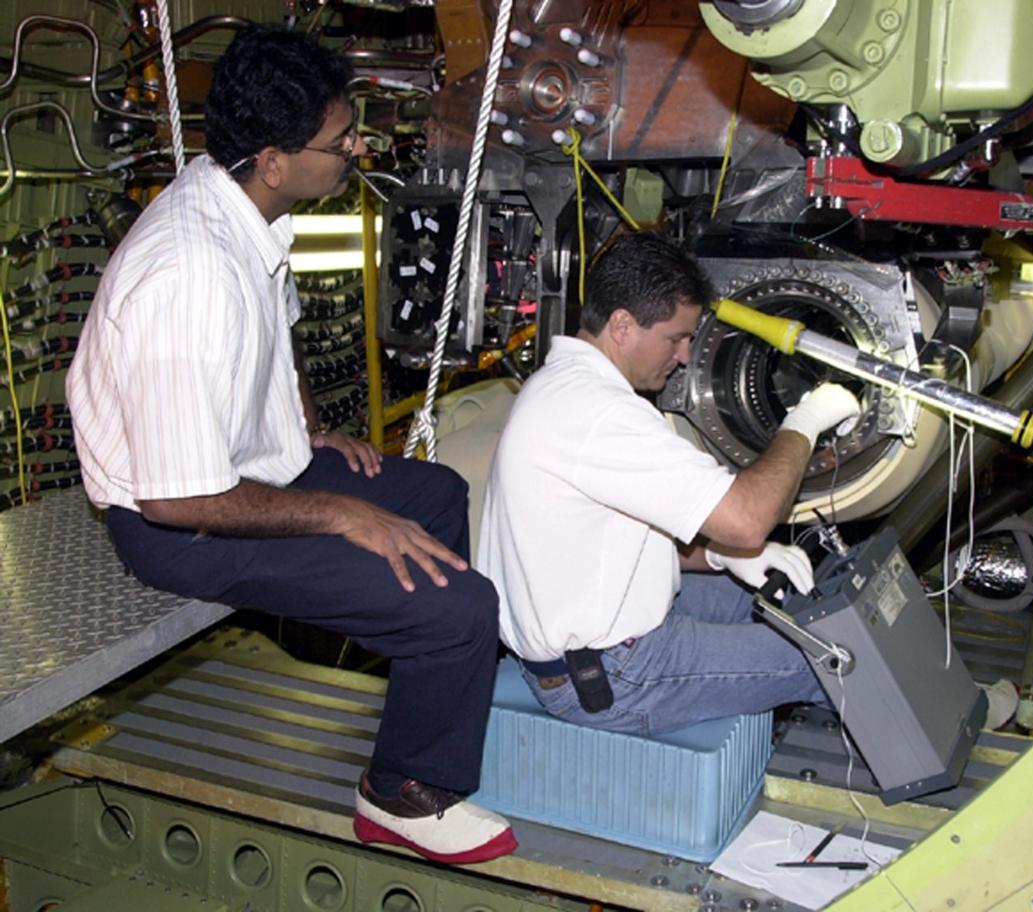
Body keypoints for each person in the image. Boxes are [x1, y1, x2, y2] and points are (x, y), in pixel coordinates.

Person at [66, 25, 515, 864]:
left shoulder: (239, 201)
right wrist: (342, 516)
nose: (356, 149)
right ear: (273, 157)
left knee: (436, 496)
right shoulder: (186, 276)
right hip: (177, 525)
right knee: (463, 609)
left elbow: (277, 333)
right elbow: (177, 497)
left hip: (242, 465)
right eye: (340, 139)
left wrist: (307, 430)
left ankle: (413, 673)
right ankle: (400, 793)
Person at [477, 231, 863, 735]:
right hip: (611, 675)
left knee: (800, 602)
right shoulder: (598, 413)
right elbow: (747, 520)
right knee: (839, 656)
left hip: (601, 639)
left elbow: (614, 540)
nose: (683, 355)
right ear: (622, 325)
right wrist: (806, 421)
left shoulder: (564, 386)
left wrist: (720, 556)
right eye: (675, 338)